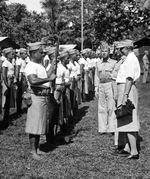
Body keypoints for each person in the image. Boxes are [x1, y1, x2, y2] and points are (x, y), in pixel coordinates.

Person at [24, 42, 56, 160]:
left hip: (42, 98)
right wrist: (49, 78)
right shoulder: (31, 66)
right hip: (36, 97)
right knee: (34, 126)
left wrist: (53, 64)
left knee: (39, 125)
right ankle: (33, 151)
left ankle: (37, 148)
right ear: (33, 53)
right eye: (40, 52)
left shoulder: (39, 65)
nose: (42, 54)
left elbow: (45, 76)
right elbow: (33, 81)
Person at [115, 40, 141, 159]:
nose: (120, 50)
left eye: (121, 48)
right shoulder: (129, 58)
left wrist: (125, 95)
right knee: (125, 118)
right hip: (125, 88)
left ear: (127, 48)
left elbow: (129, 78)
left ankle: (134, 151)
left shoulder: (130, 59)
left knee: (128, 118)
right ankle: (127, 147)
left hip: (127, 89)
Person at [94, 42, 117, 134]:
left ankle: (111, 127)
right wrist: (96, 88)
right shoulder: (98, 63)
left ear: (109, 52)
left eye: (105, 51)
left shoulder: (114, 63)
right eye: (102, 51)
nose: (103, 53)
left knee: (111, 106)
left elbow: (115, 75)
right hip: (101, 85)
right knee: (101, 107)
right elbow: (96, 76)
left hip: (110, 84)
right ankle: (102, 128)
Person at [1, 47, 16, 126]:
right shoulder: (5, 63)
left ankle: (7, 117)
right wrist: (7, 84)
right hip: (7, 82)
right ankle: (4, 119)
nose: (13, 54)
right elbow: (4, 74)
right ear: (7, 54)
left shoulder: (11, 62)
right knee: (6, 100)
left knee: (9, 101)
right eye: (11, 53)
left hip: (11, 81)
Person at [15, 48, 28, 115]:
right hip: (20, 77)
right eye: (25, 53)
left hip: (24, 77)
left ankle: (22, 106)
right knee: (19, 93)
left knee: (23, 93)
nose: (26, 55)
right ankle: (18, 109)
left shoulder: (24, 61)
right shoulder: (19, 61)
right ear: (21, 54)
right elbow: (17, 70)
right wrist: (17, 80)